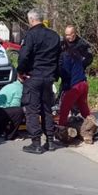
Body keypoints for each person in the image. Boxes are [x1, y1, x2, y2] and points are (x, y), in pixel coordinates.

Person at [17, 9, 62, 154]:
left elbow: (24, 56)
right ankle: (50, 141)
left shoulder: (30, 35)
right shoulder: (54, 36)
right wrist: (55, 76)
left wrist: (20, 72)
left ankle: (35, 143)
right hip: (48, 78)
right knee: (47, 110)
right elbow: (59, 59)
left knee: (32, 111)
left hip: (33, 77)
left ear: (31, 20)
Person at [58, 38, 92, 128]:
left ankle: (61, 128)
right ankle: (92, 125)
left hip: (76, 85)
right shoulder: (76, 54)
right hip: (84, 83)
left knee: (65, 107)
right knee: (83, 108)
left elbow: (65, 72)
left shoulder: (65, 55)